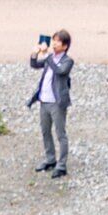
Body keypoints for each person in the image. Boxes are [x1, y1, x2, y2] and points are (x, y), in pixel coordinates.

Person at [27, 29, 74, 178]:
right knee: (45, 131)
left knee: (61, 134)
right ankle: (50, 159)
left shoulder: (67, 61)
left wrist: (47, 56)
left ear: (65, 46)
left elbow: (60, 71)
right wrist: (34, 54)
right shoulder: (51, 57)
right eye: (53, 40)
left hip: (57, 103)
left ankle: (62, 165)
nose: (54, 43)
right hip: (44, 101)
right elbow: (35, 65)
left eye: (58, 41)